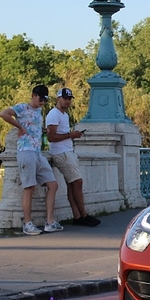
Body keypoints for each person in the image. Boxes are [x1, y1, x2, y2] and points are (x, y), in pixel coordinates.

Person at [0, 85, 63, 235]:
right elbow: (4, 114)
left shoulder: (40, 111)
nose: (42, 102)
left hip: (37, 152)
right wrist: (19, 127)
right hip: (26, 151)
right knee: (29, 188)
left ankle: (50, 221)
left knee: (52, 185)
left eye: (45, 100)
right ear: (33, 95)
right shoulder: (22, 108)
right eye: (40, 99)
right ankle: (27, 224)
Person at [45, 88, 101, 227]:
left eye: (69, 98)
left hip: (67, 151)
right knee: (77, 182)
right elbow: (51, 137)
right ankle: (84, 214)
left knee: (72, 184)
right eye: (65, 98)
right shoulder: (54, 114)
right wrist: (70, 135)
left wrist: (71, 135)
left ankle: (77, 216)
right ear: (58, 98)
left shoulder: (64, 115)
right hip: (61, 153)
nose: (68, 101)